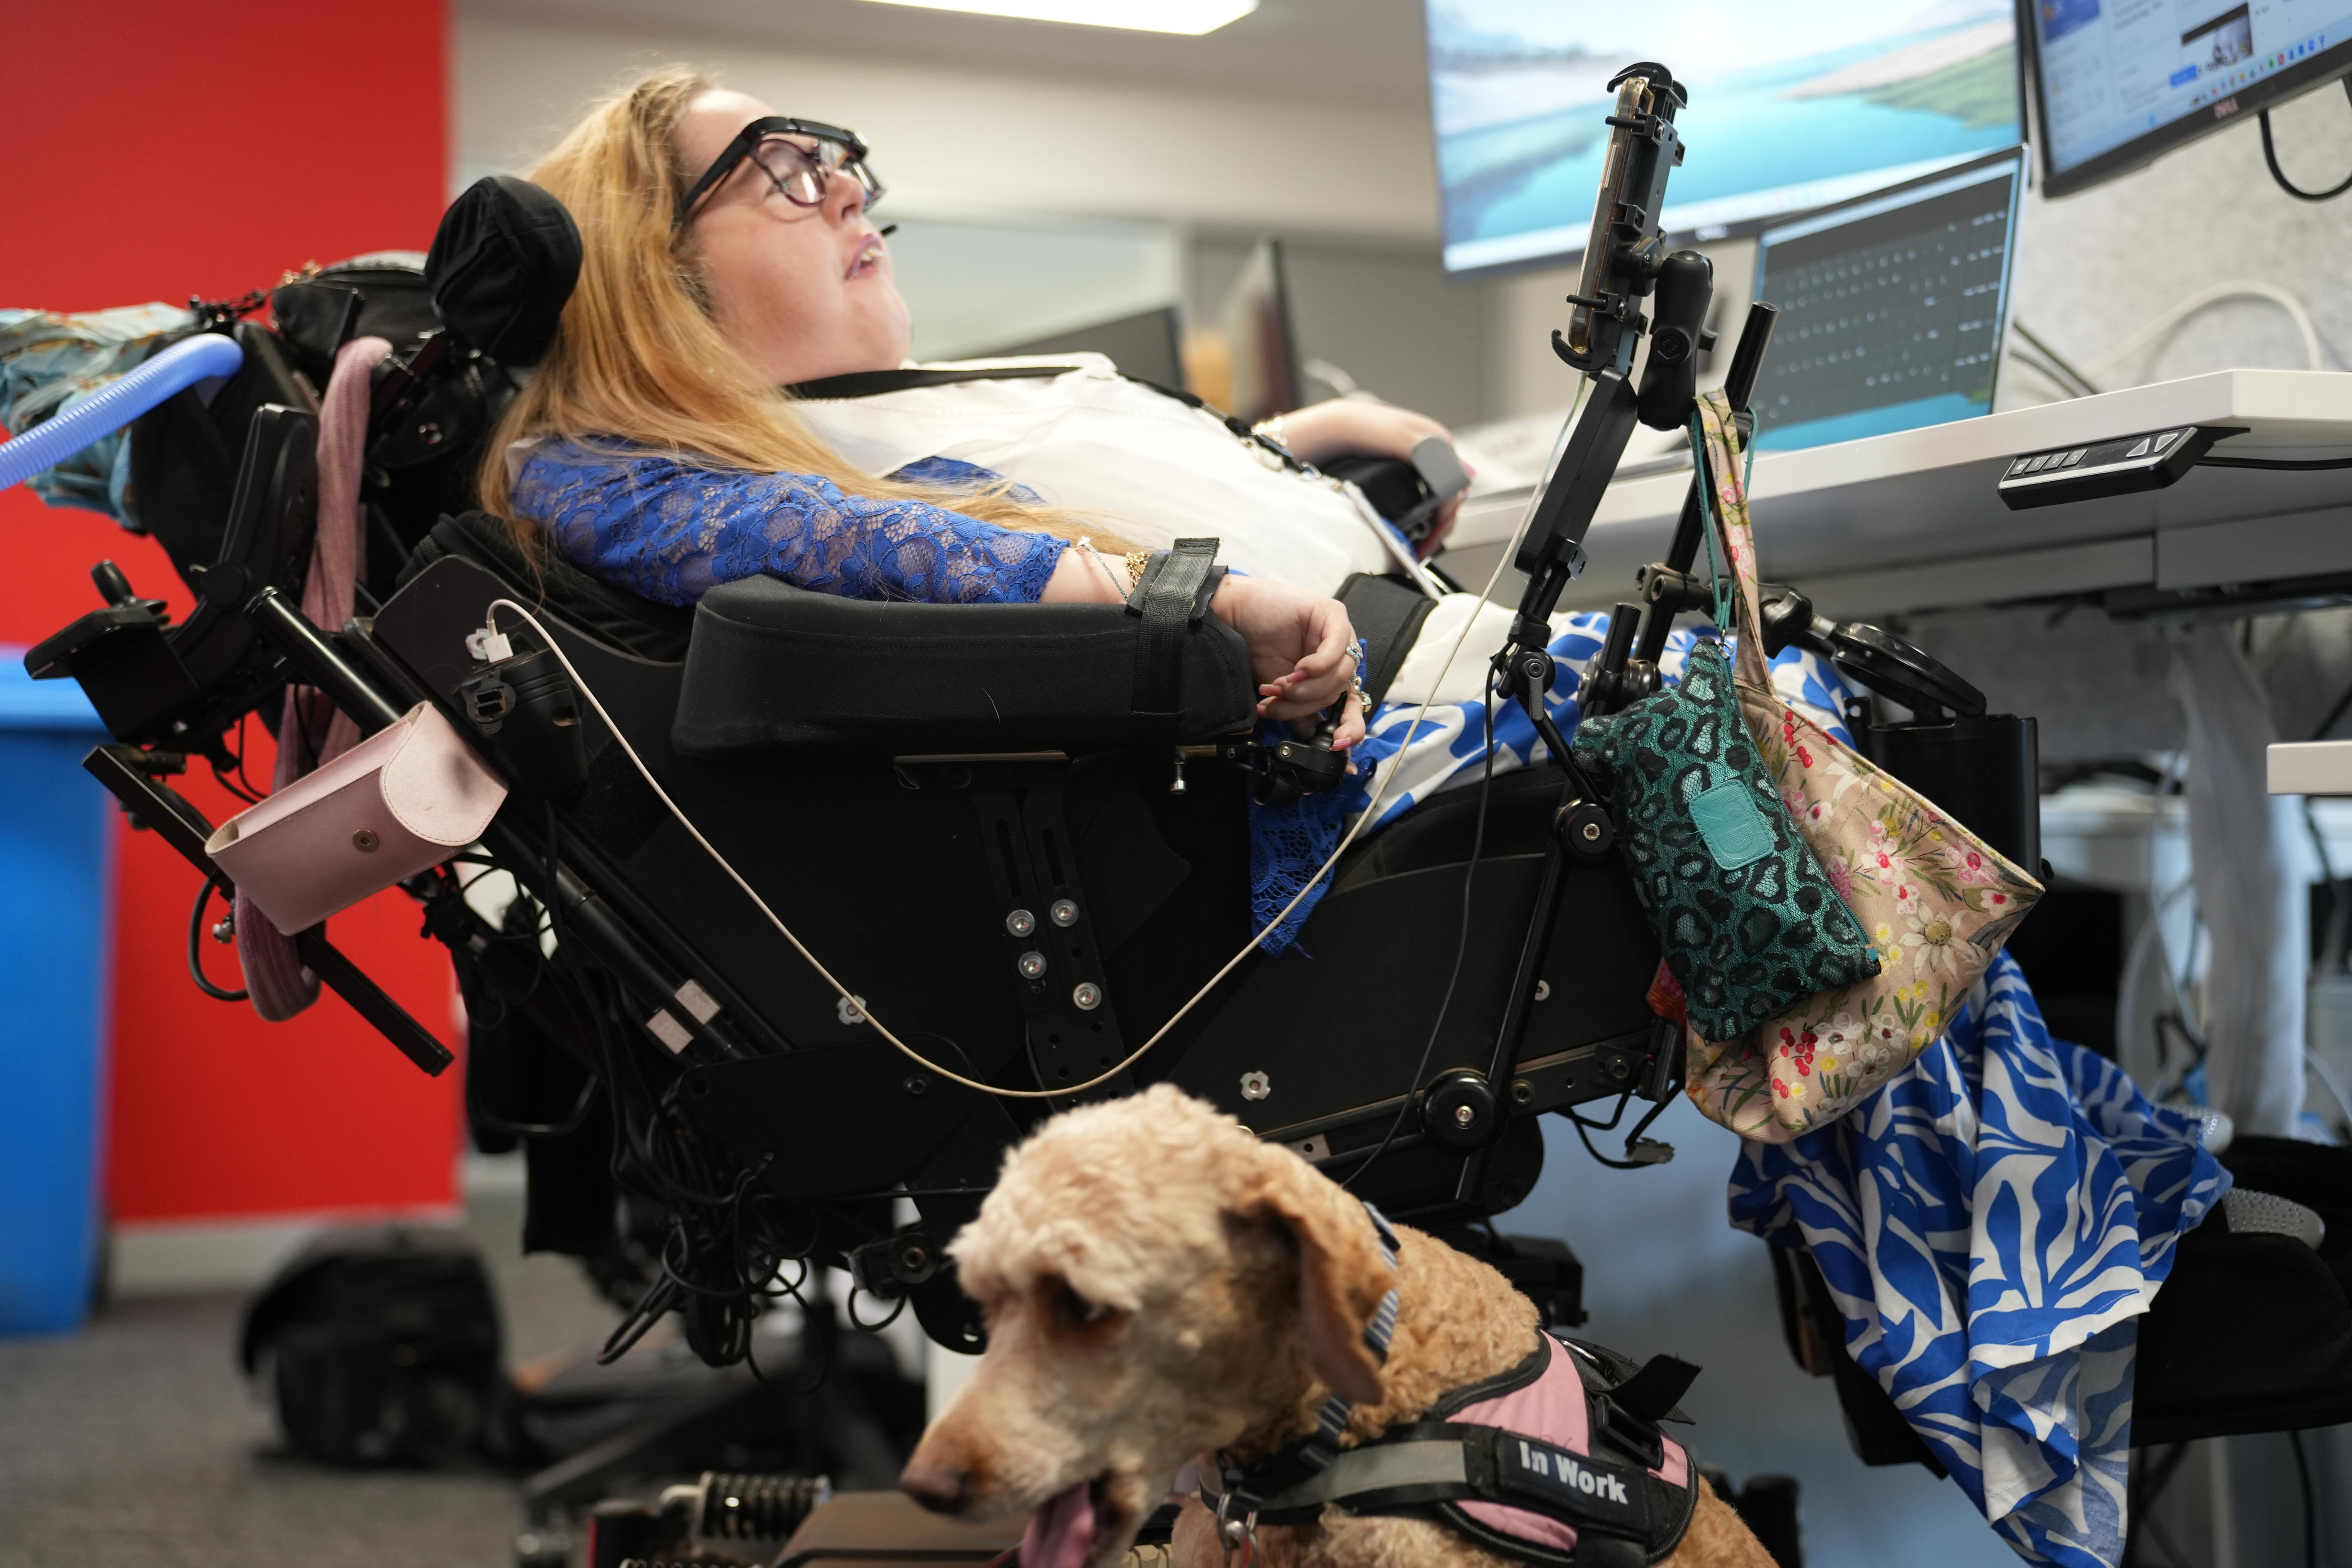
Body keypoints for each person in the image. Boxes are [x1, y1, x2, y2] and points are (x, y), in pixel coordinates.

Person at [481, 66, 1471, 761]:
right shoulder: (674, 488)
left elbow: (1076, 479)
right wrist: (1209, 601)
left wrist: (1307, 437)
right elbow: (889, 543)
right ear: (656, 275)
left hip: (1429, 648)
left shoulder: (857, 411)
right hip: (1406, 725)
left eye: (838, 163)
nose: (848, 192)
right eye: (786, 170)